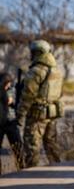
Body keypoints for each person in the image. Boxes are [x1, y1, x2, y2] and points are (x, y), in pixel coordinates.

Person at [16, 40, 64, 168]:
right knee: (52, 146)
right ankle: (59, 171)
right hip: (52, 114)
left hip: (37, 115)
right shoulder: (56, 70)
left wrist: (20, 115)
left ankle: (32, 174)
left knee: (32, 148)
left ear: (37, 52)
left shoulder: (36, 71)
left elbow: (27, 96)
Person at [0, 72, 24, 173]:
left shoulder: (13, 90)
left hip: (11, 122)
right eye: (7, 83)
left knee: (17, 146)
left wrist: (12, 101)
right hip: (0, 123)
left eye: (9, 83)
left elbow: (17, 101)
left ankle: (22, 167)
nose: (8, 86)